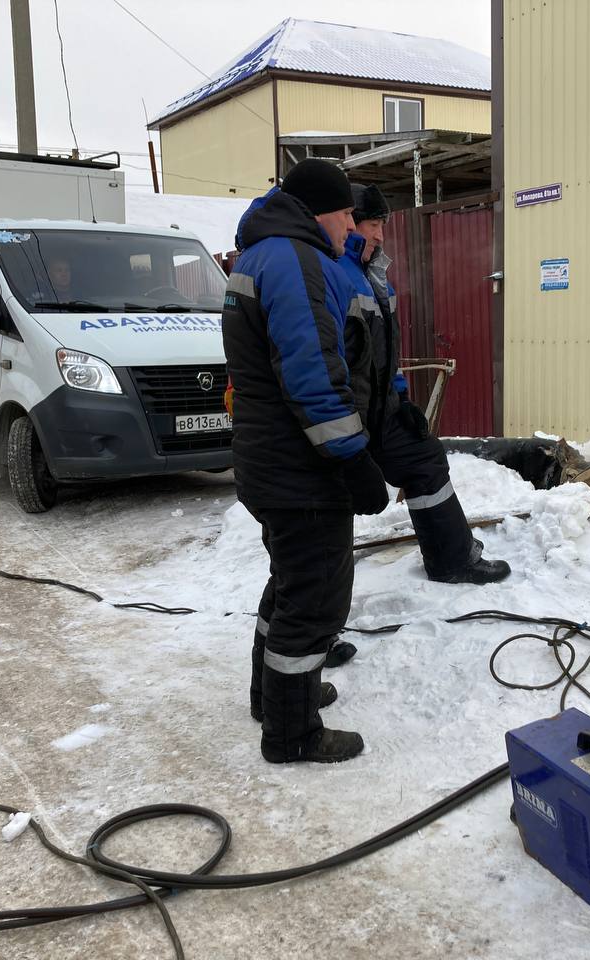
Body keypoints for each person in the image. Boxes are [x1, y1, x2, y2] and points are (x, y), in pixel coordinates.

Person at [222, 159, 386, 764]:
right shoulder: (293, 258)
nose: (352, 225)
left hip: (274, 461)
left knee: (290, 585)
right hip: (301, 469)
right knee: (315, 598)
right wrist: (351, 458)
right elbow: (311, 373)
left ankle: (275, 696)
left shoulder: (263, 253)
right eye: (347, 212)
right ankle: (292, 732)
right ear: (321, 209)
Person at [336, 185, 511, 600]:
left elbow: (386, 354)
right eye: (373, 224)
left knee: (425, 458)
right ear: (349, 223)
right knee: (335, 500)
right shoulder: (333, 274)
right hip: (346, 415)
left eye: (382, 225)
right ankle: (324, 608)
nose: (380, 235)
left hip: (382, 410)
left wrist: (402, 401)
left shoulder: (375, 278)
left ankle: (452, 560)